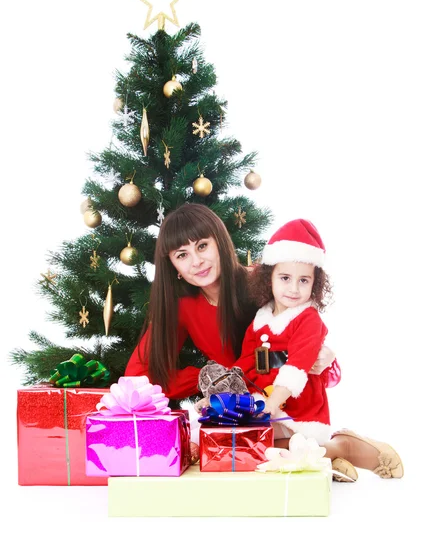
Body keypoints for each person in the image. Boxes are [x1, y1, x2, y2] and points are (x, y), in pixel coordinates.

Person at [124, 203, 403, 481]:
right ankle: (324, 456)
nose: (196, 261)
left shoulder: (259, 282)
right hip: (238, 400)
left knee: (246, 446)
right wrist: (209, 380)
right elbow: (139, 373)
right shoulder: (181, 307)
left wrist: (325, 353)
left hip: (281, 394)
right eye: (182, 254)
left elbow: (302, 325)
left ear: (219, 242)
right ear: (172, 265)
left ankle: (344, 446)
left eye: (202, 246)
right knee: (230, 448)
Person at [235, 218, 334, 446]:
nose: (294, 289)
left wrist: (271, 405)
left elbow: (297, 365)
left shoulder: (308, 318)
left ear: (315, 283)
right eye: (285, 278)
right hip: (264, 400)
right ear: (269, 277)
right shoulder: (261, 320)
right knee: (247, 439)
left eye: (304, 280)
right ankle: (329, 456)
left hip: (298, 407)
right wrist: (220, 395)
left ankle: (337, 449)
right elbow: (245, 362)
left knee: (259, 441)